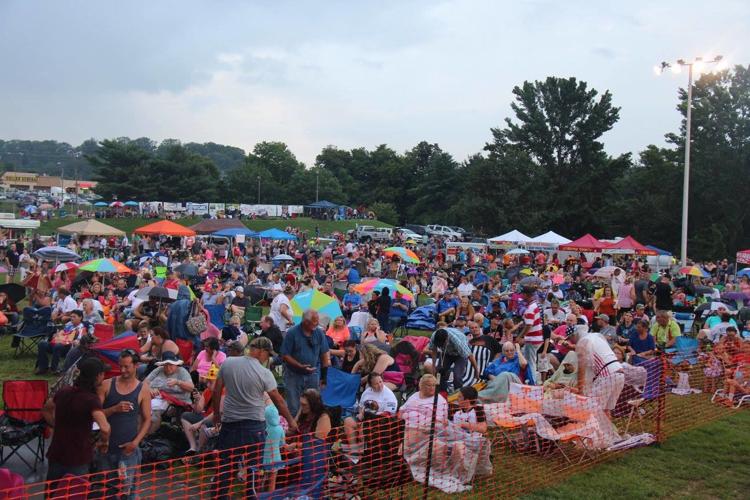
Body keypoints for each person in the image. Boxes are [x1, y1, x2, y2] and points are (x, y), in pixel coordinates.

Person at [212, 336, 297, 500]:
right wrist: (291, 421)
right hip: (254, 427)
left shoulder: (228, 363)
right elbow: (278, 400)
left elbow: (217, 391)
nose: (268, 357)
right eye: (267, 354)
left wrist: (216, 414)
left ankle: (218, 497)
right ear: (260, 351)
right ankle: (251, 497)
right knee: (254, 468)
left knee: (226, 467)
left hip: (230, 424)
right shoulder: (264, 373)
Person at [42, 358, 110, 487]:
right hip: (78, 458)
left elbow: (46, 409)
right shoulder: (91, 400)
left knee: (52, 493)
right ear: (98, 376)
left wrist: (56, 425)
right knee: (75, 494)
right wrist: (104, 443)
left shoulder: (63, 392)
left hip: (56, 454)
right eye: (102, 373)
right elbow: (105, 428)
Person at [96, 349, 152, 499]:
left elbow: (147, 419)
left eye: (126, 366)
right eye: (120, 366)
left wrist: (135, 443)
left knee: (129, 493)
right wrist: (114, 409)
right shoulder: (106, 385)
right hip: (106, 448)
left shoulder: (143, 389)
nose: (122, 370)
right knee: (107, 492)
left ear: (136, 366)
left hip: (128, 451)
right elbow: (96, 415)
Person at [280, 310, 331, 416]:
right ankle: (295, 428)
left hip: (313, 374)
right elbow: (285, 355)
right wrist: (299, 366)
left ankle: (310, 428)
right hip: (293, 374)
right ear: (305, 322)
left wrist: (324, 376)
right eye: (314, 322)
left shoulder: (319, 333)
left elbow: (324, 355)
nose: (317, 324)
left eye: (317, 321)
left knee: (313, 404)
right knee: (294, 405)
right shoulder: (292, 333)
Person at [576, 325, 625, 416]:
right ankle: (608, 430)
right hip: (620, 373)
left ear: (575, 335)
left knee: (592, 409)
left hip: (607, 375)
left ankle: (595, 430)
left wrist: (580, 391)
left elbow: (581, 369)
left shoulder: (583, 343)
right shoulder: (596, 337)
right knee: (606, 409)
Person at [145, 351, 194, 433]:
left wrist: (178, 382)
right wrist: (150, 389)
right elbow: (144, 383)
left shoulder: (182, 372)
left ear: (175, 364)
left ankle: (146, 436)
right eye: (166, 365)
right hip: (158, 399)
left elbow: (191, 388)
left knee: (154, 416)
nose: (168, 368)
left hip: (177, 403)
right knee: (141, 411)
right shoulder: (158, 370)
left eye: (171, 365)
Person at [425, 327, 480, 392]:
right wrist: (434, 366)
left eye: (442, 344)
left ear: (447, 339)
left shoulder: (458, 341)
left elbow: (470, 356)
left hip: (460, 355)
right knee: (439, 371)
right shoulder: (434, 336)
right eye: (439, 345)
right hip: (447, 353)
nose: (441, 346)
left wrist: (476, 371)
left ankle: (458, 393)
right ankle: (441, 391)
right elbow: (434, 350)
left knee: (457, 375)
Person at [36, 309, 89, 375]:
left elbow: (80, 341)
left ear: (80, 317)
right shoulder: (68, 324)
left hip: (67, 347)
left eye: (74, 317)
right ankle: (43, 367)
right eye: (71, 316)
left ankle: (54, 368)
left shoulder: (82, 328)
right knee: (42, 344)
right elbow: (60, 333)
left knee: (58, 346)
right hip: (57, 343)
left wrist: (75, 341)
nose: (72, 318)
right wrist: (56, 335)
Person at [520, 285, 543, 377]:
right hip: (536, 337)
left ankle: (532, 382)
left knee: (530, 363)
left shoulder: (531, 308)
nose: (521, 296)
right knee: (530, 361)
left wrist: (520, 336)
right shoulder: (535, 305)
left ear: (525, 294)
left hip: (532, 338)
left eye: (522, 294)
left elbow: (529, 325)